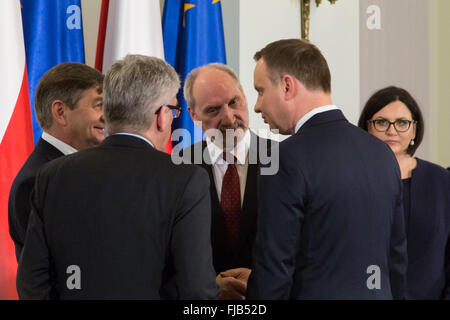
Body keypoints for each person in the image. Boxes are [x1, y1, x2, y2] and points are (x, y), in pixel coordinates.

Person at [16, 55, 218, 299]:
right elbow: (196, 290)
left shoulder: (51, 175)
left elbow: (33, 283)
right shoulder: (186, 179)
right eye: (174, 110)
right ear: (161, 116)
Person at [246, 39, 407, 299]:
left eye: (260, 90)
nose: (257, 105)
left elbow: (274, 271)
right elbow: (396, 261)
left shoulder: (283, 159)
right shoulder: (383, 154)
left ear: (287, 86)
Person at [180, 63, 274, 300]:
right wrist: (210, 285)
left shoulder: (285, 161)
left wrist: (260, 279)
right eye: (213, 110)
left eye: (234, 102)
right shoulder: (177, 168)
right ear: (193, 114)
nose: (229, 117)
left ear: (244, 94)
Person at [358, 86, 450, 299]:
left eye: (402, 123)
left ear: (414, 130)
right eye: (381, 122)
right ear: (366, 128)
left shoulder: (441, 181)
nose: (392, 131)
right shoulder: (349, 182)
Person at [9, 62, 104, 260]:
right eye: (99, 106)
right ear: (60, 112)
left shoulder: (95, 169)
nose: (108, 116)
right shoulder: (35, 182)